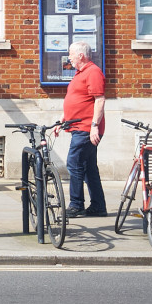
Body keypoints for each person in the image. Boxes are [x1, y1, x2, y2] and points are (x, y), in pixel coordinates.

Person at [62, 41, 107, 218]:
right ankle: (98, 206)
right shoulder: (80, 73)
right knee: (89, 168)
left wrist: (94, 126)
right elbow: (75, 98)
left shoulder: (93, 72)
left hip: (86, 128)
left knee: (74, 163)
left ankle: (76, 204)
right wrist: (62, 120)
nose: (69, 58)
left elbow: (100, 100)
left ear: (81, 55)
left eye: (71, 54)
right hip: (78, 126)